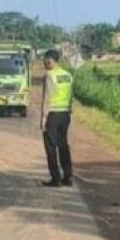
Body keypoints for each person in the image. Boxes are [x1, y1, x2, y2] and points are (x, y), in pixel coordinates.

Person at [40, 49, 73, 187]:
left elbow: (47, 98)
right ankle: (67, 176)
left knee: (51, 147)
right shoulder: (67, 75)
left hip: (52, 114)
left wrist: (43, 117)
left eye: (45, 60)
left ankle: (55, 178)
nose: (44, 63)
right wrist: (69, 110)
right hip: (65, 114)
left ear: (51, 60)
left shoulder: (49, 75)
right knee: (63, 145)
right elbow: (71, 95)